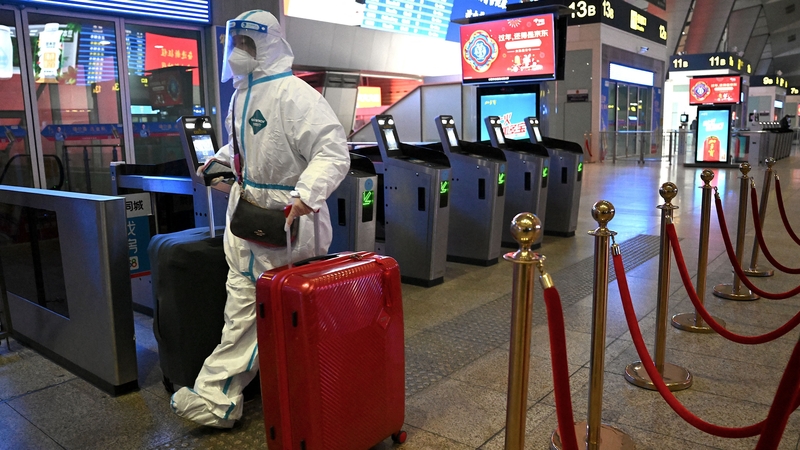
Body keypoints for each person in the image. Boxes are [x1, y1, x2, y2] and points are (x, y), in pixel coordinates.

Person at [170, 9, 350, 428]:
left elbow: (332, 151)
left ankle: (225, 397)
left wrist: (305, 196)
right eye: (234, 44)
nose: (237, 53)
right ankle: (234, 396)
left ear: (267, 45)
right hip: (246, 220)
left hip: (286, 226)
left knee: (269, 313)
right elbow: (239, 148)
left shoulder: (296, 95)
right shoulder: (240, 95)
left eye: (246, 44)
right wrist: (217, 165)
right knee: (245, 310)